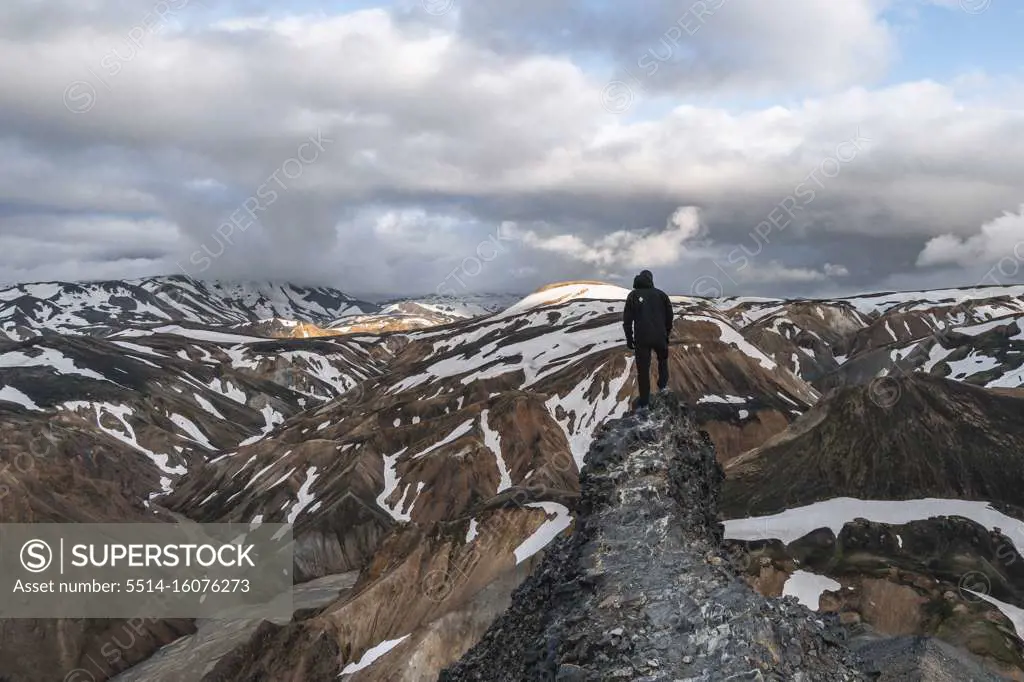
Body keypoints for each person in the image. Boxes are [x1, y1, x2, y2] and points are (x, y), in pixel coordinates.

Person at [622, 269, 673, 410]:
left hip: (641, 338)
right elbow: (670, 317)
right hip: (660, 336)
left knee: (643, 370)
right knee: (663, 360)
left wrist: (629, 339)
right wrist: (666, 334)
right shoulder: (662, 295)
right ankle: (662, 387)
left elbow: (627, 320)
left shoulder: (633, 295)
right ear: (651, 279)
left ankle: (644, 402)